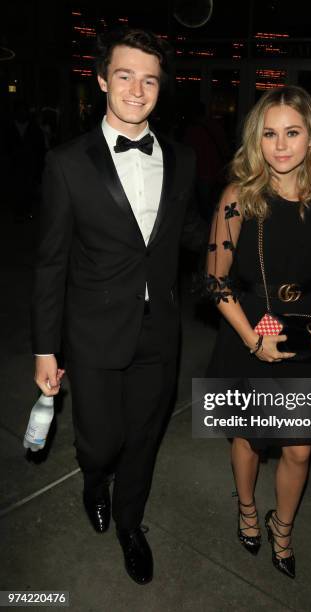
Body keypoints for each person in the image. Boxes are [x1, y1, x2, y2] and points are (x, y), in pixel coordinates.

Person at [31, 28, 200, 585]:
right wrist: (45, 349)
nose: (136, 88)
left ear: (160, 88)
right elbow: (52, 263)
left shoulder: (182, 159)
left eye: (149, 78)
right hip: (94, 330)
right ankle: (92, 478)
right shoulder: (66, 163)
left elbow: (193, 234)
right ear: (103, 79)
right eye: (124, 75)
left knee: (145, 439)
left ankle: (131, 523)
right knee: (100, 440)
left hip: (161, 330)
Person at [205, 86, 311, 578]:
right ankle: (248, 509)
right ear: (257, 139)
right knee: (251, 437)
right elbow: (215, 280)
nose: (281, 144)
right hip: (250, 322)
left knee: (299, 444)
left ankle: (283, 526)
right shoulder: (239, 197)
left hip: (307, 327)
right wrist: (252, 338)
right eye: (270, 133)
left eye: (292, 132)